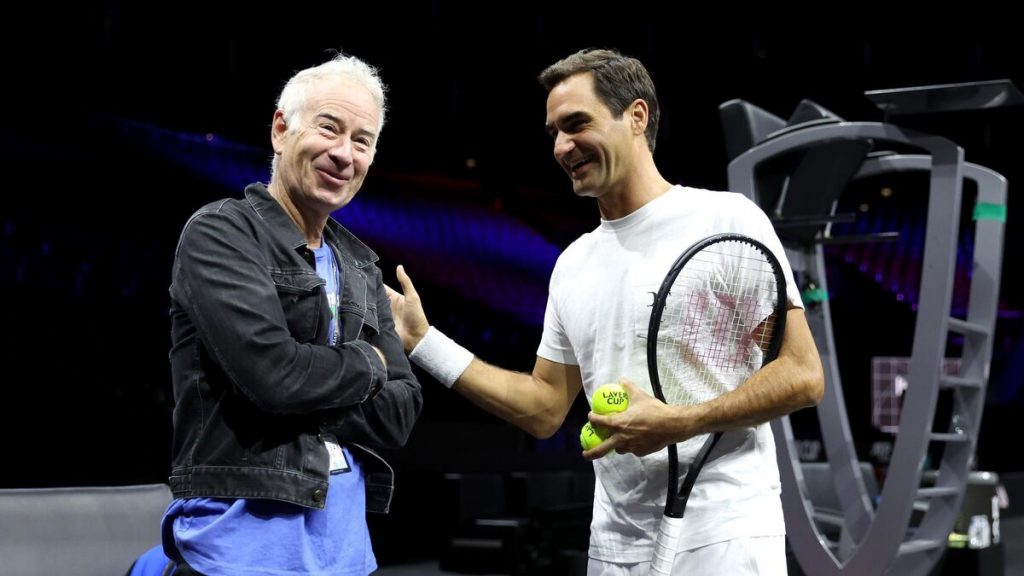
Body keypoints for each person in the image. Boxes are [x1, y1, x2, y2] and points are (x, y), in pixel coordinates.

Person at [386, 48, 824, 575]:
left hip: (724, 533)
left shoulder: (726, 219)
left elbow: (802, 375)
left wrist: (679, 422)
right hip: (615, 545)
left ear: (636, 117)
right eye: (553, 132)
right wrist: (424, 343)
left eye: (576, 124)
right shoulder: (572, 264)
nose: (562, 146)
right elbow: (546, 408)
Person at [162, 52, 422, 575]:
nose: (344, 153)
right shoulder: (222, 232)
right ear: (281, 129)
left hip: (349, 555)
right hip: (237, 551)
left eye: (362, 140)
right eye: (329, 128)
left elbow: (401, 412)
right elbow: (274, 376)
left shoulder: (361, 265)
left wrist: (307, 382)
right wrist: (369, 364)